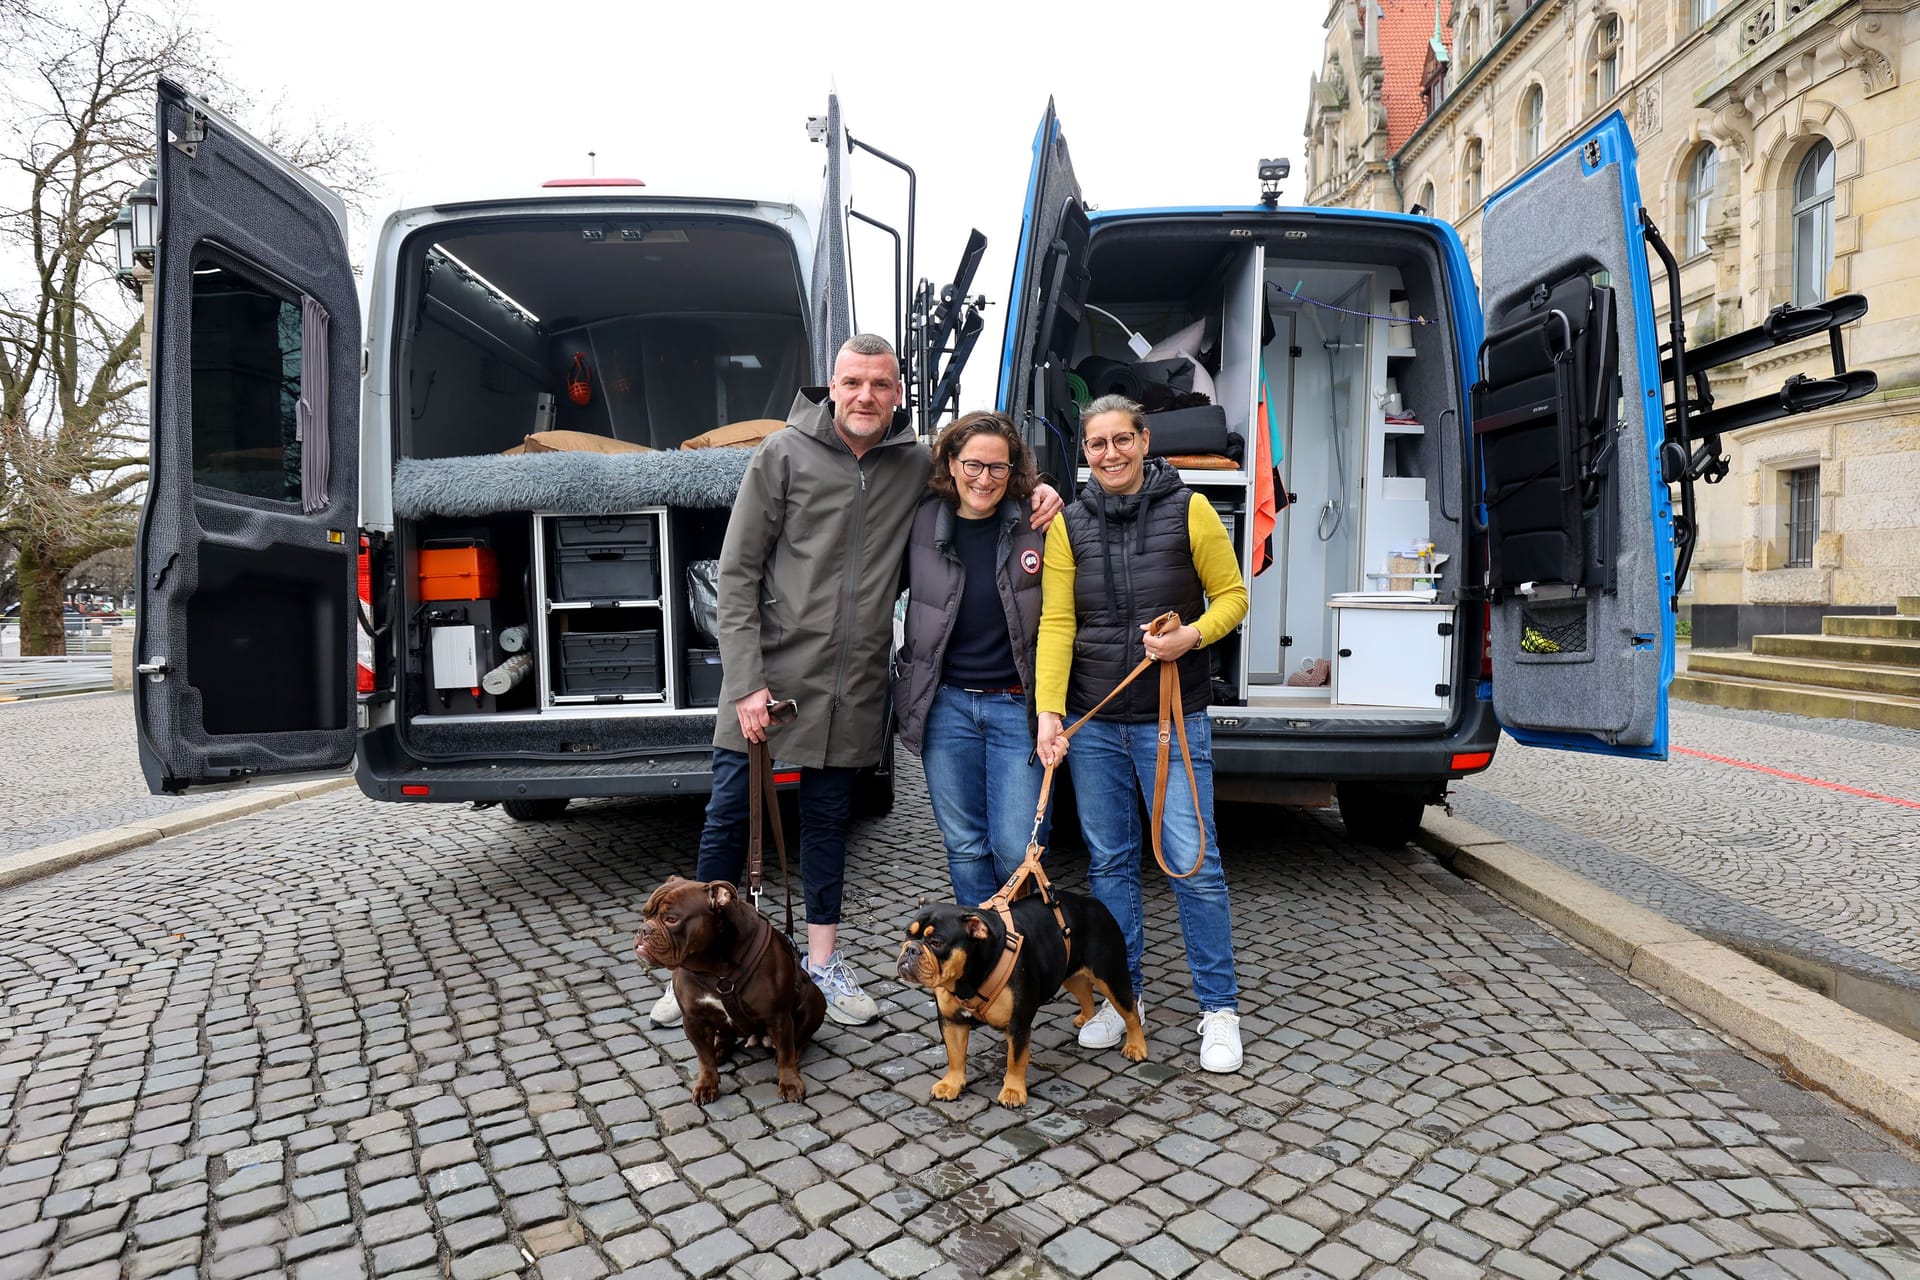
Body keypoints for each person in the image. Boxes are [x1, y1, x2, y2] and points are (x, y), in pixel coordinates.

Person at [651, 336, 1061, 1028]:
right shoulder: (781, 453)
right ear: (831, 387)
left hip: (855, 683)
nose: (866, 396)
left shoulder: (913, 464)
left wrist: (1037, 487)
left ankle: (822, 964)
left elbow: (980, 471)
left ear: (898, 392)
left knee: (828, 824)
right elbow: (738, 571)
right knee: (727, 822)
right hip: (770, 679)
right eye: (853, 383)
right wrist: (746, 681)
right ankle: (694, 969)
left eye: (880, 384)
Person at [1035, 393, 1249, 1073]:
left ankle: (1219, 1009)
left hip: (1170, 718)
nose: (1111, 454)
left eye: (1121, 440)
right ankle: (1126, 1000)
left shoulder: (1190, 510)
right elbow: (1059, 626)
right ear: (1085, 454)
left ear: (1145, 440)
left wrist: (1190, 635)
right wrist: (1050, 713)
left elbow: (1233, 598)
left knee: (1195, 865)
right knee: (1110, 866)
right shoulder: (1069, 524)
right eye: (1097, 445)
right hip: (1095, 723)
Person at [893, 411, 1049, 907]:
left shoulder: (1036, 522)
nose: (985, 478)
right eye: (973, 464)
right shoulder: (918, 522)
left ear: (1014, 470)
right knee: (964, 846)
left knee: (1016, 848)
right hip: (946, 708)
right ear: (950, 463)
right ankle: (982, 961)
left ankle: (1022, 960)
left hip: (1015, 705)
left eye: (998, 468)